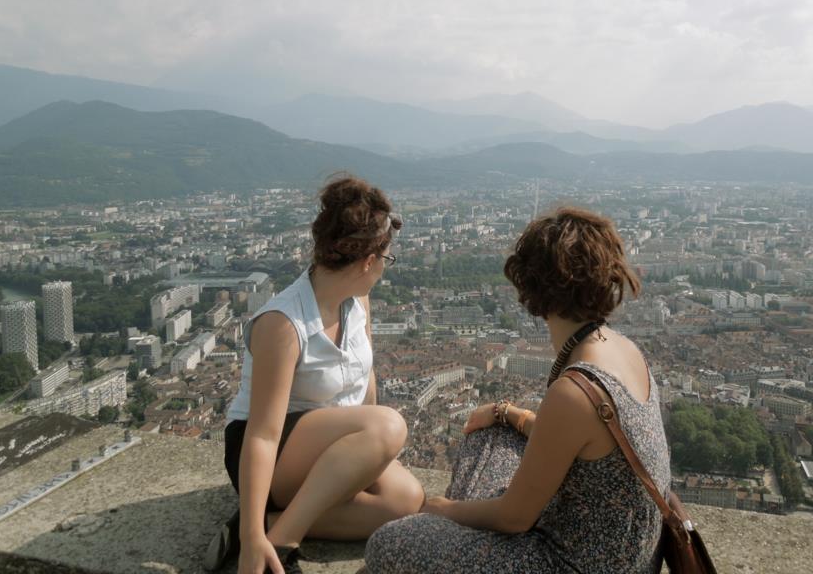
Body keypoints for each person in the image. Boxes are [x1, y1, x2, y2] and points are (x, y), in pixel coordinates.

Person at [364, 207, 671, 574]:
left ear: (532, 287)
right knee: (491, 434)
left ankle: (452, 534)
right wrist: (509, 413)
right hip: (621, 552)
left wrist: (439, 509)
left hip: (571, 563)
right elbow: (580, 440)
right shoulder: (624, 349)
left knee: (389, 541)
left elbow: (514, 518)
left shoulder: (575, 391)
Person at [205, 176, 425, 574]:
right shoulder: (283, 323)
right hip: (267, 454)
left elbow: (366, 384)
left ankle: (261, 527)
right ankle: (275, 539)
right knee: (390, 425)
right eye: (387, 260)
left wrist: (369, 459)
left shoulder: (357, 302)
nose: (384, 271)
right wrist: (257, 533)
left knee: (405, 500)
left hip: (326, 446)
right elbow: (261, 434)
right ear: (368, 261)